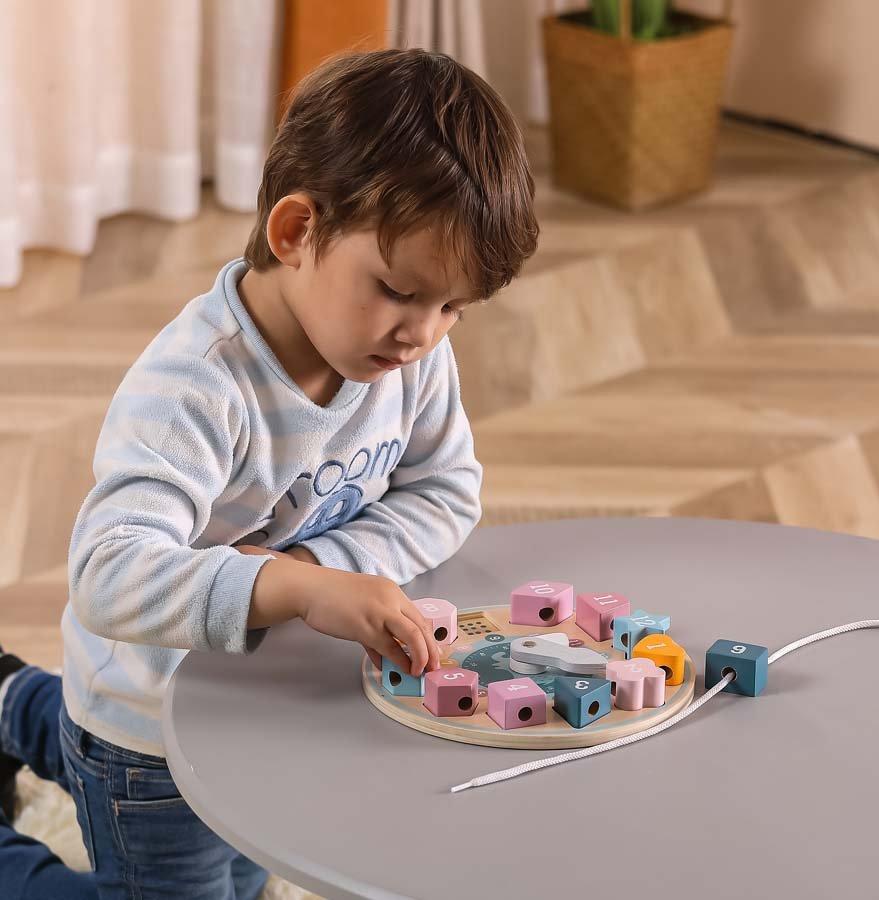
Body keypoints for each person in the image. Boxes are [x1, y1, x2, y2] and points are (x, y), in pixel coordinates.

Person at [0, 46, 539, 898]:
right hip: (147, 729)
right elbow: (108, 576)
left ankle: (10, 702)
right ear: (297, 232)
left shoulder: (405, 358)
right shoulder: (196, 388)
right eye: (400, 290)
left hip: (259, 706)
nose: (424, 334)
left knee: (250, 875)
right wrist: (291, 591)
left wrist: (320, 573)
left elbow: (446, 489)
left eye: (453, 309)